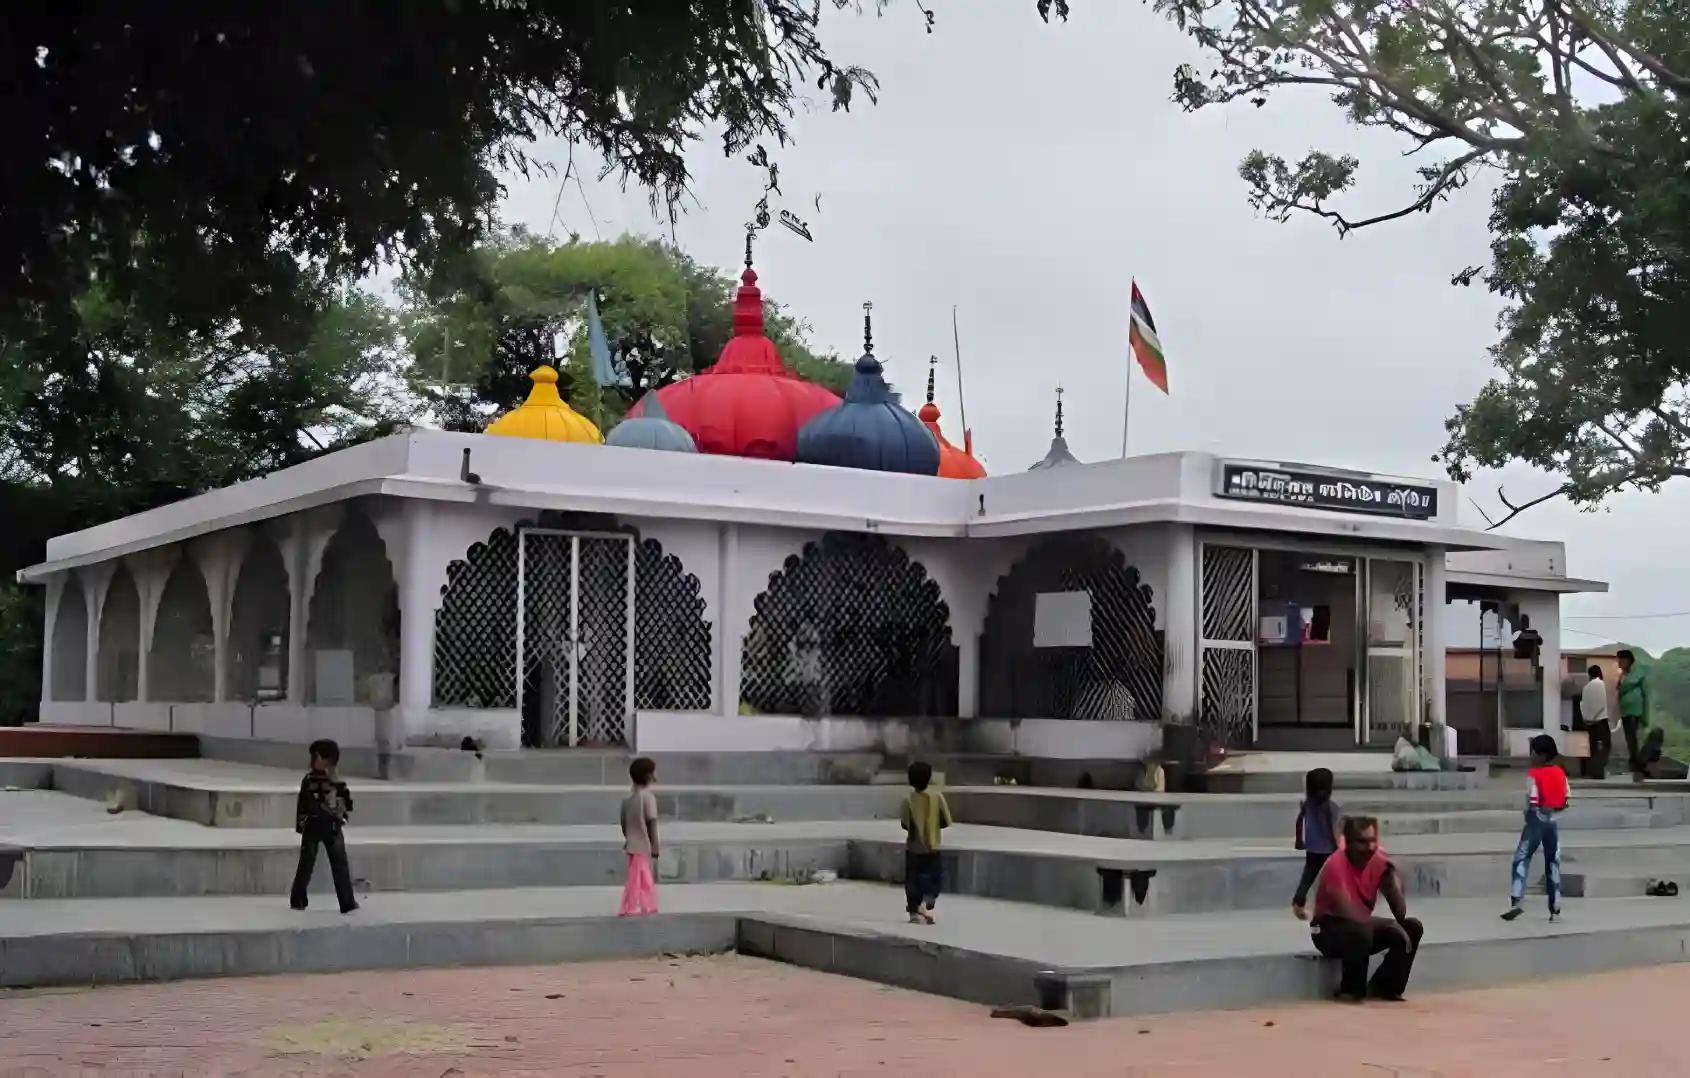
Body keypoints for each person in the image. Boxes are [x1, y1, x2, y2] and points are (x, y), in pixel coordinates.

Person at [1309, 816, 1423, 1003]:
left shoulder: (1379, 859)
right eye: (1362, 842)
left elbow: (1400, 913)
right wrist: (1390, 924)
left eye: (1372, 841)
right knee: (1361, 930)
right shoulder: (1335, 866)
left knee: (1412, 928)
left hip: (1359, 929)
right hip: (1326, 930)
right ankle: (1350, 991)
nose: (1369, 848)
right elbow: (1352, 915)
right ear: (1348, 843)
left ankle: (1385, 987)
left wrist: (1391, 882)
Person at [1502, 734, 1568, 922]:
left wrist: (1530, 815)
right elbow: (1566, 798)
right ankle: (1555, 909)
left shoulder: (1534, 775)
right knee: (1553, 862)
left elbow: (1531, 800)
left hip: (1536, 818)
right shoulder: (1560, 773)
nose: (1531, 756)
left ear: (1541, 755)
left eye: (1533, 752)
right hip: (1554, 820)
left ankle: (1516, 900)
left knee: (1522, 858)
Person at [290, 738, 358, 914]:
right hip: (313, 826)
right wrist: (302, 824)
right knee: (306, 865)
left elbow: (348, 802)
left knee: (340, 866)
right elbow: (304, 804)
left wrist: (340, 809)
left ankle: (347, 901)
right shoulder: (309, 780)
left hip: (333, 827)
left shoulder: (336, 781)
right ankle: (298, 899)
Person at [900, 760, 953, 925]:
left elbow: (904, 824)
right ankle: (927, 907)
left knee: (912, 880)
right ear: (929, 778)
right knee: (933, 879)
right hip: (933, 847)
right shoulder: (937, 797)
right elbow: (947, 820)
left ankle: (914, 913)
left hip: (914, 848)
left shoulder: (907, 800)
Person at [1292, 767, 1342, 920]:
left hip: (1312, 849)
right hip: (1329, 850)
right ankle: (1335, 906)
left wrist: (1299, 840)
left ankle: (1298, 903)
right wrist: (1340, 847)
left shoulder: (1308, 804)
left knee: (1308, 876)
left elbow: (1299, 821)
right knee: (1334, 878)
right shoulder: (1332, 807)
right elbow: (1334, 829)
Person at [619, 757, 660, 917]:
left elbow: (624, 825)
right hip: (643, 845)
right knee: (643, 878)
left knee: (635, 877)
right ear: (648, 776)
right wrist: (655, 846)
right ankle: (641, 905)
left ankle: (634, 905)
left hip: (631, 845)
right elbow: (652, 824)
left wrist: (629, 838)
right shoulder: (648, 797)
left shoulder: (627, 801)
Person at [1617, 649, 1650, 781]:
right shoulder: (1622, 675)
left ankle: (1638, 766)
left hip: (1634, 711)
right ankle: (1636, 765)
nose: (1618, 662)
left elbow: (1645, 695)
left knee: (1633, 739)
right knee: (1630, 739)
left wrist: (1645, 717)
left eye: (1620, 660)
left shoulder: (1636, 675)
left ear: (1627, 661)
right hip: (1626, 711)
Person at [1580, 665, 1614, 780]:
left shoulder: (1586, 687)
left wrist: (1587, 718)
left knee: (1593, 748)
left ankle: (1593, 771)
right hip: (1601, 720)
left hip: (1589, 722)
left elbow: (1583, 705)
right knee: (1606, 745)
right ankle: (1599, 770)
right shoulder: (1600, 684)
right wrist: (1596, 716)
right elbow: (1601, 704)